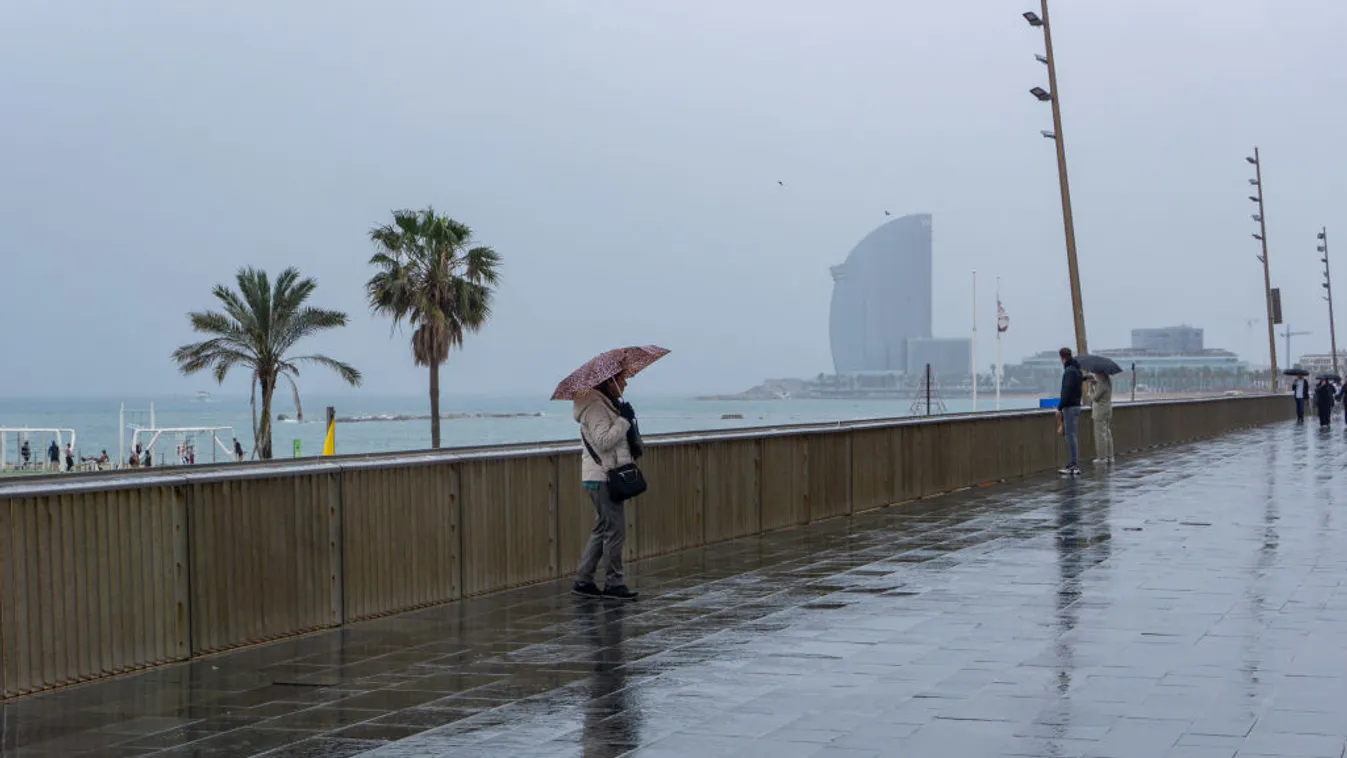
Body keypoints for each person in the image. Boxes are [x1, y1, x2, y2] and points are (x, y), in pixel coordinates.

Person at [571, 372, 640, 601]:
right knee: (615, 530)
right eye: (622, 379)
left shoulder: (604, 404)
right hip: (603, 477)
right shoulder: (595, 407)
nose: (625, 383)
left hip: (601, 475)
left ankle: (583, 580)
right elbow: (603, 441)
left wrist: (623, 417)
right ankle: (613, 583)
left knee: (603, 528)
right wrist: (624, 420)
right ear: (610, 382)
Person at [1056, 347, 1084, 476]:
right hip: (1077, 406)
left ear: (1062, 358)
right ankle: (1073, 464)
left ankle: (1073, 465)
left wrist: (1059, 407)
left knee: (1070, 436)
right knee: (1073, 435)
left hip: (1070, 407)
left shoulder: (1069, 371)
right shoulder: (1077, 370)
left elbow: (1066, 390)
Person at [1089, 371, 1114, 465]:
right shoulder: (1108, 381)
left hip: (1100, 412)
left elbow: (1094, 398)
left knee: (1100, 435)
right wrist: (1095, 383)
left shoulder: (1101, 384)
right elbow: (1102, 391)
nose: (1095, 375)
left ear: (1101, 374)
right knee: (1107, 433)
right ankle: (1110, 456)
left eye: (1096, 373)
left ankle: (1102, 457)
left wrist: (1090, 389)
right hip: (1107, 410)